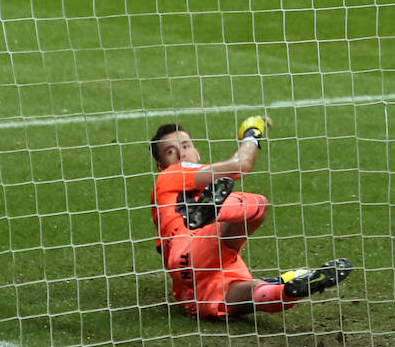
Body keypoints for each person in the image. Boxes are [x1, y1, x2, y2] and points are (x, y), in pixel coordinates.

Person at [150, 117, 352, 320]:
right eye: (171, 151)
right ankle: (214, 212)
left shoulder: (168, 197)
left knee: (258, 293)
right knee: (257, 204)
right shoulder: (170, 174)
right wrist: (251, 133)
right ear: (161, 166)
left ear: (197, 152)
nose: (181, 154)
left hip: (189, 282)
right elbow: (241, 165)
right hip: (194, 244)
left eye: (185, 146)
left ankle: (288, 289)